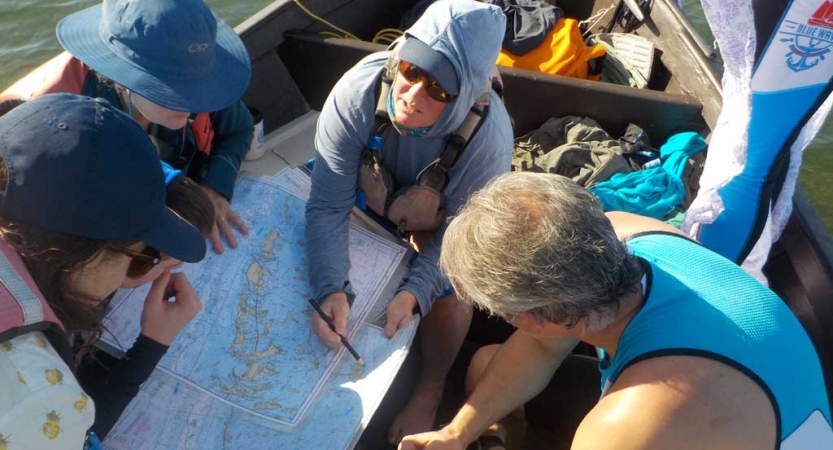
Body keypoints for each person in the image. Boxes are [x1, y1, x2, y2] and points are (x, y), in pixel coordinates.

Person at [399, 172, 833, 449]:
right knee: (486, 364)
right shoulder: (629, 231)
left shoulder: (620, 431)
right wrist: (456, 435)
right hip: (744, 405)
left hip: (688, 415)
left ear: (533, 318)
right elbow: (539, 350)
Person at [306, 0, 513, 443]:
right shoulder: (356, 92)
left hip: (439, 228)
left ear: (466, 94)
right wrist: (329, 286)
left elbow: (460, 244)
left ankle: (430, 386)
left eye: (439, 91)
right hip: (364, 204)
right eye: (412, 71)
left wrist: (415, 293)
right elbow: (327, 206)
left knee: (457, 292)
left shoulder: (489, 144)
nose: (413, 95)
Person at [0, 94, 208, 448]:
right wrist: (150, 347)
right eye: (141, 259)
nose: (135, 276)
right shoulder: (39, 400)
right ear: (76, 257)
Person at [0, 0, 253, 254]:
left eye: (199, 84)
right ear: (119, 77)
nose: (195, 100)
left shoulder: (201, 82)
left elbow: (240, 128)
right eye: (173, 88)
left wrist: (216, 187)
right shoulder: (56, 129)